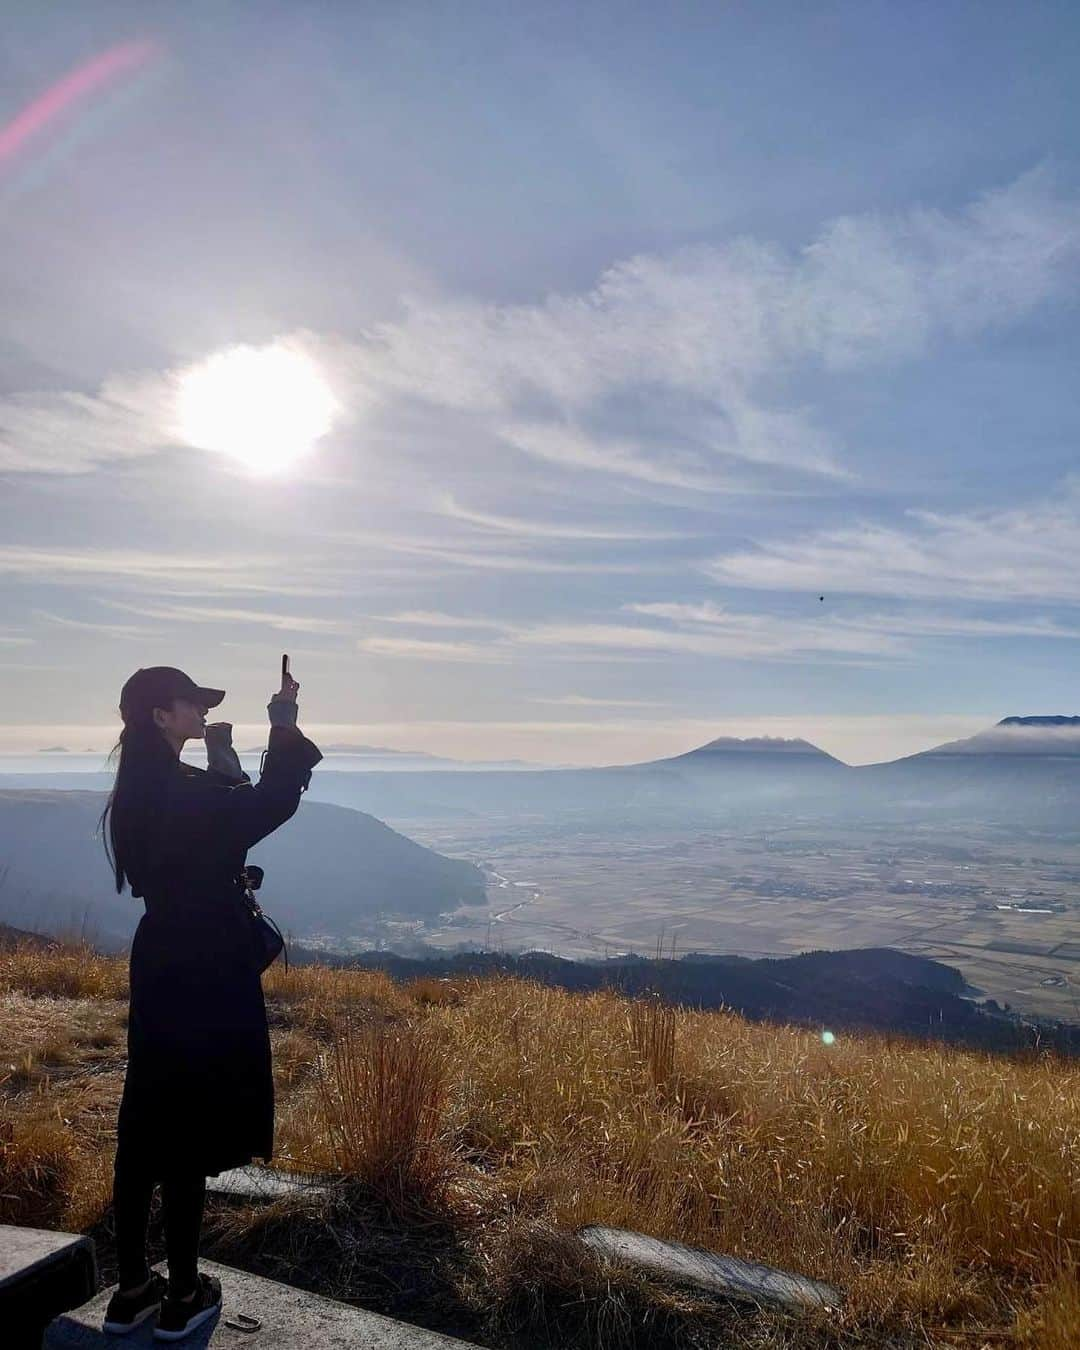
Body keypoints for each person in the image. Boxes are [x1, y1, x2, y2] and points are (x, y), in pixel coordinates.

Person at [96, 664, 322, 1339]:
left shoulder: (137, 789)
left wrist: (222, 754)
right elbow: (272, 802)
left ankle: (133, 1286)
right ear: (160, 715)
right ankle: (184, 1295)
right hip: (207, 962)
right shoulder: (183, 793)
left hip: (162, 954)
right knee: (190, 1122)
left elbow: (221, 821)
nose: (199, 710)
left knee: (147, 1115)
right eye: (190, 704)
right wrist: (282, 722)